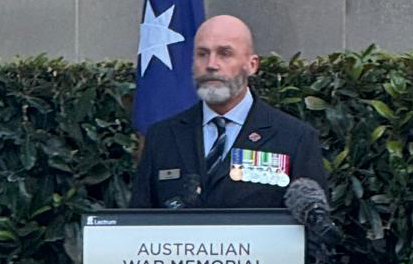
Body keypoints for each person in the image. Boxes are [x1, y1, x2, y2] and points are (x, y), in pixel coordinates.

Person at [130, 15, 327, 209]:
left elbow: (310, 229)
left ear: (252, 65)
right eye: (202, 54)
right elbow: (139, 224)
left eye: (225, 53)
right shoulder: (162, 136)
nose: (211, 64)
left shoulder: (294, 138)